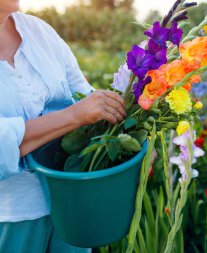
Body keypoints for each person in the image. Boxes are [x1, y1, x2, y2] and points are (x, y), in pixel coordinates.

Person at [0, 0, 127, 252]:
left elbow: (85, 97)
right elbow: (80, 111)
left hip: (70, 207)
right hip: (10, 217)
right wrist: (74, 116)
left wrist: (130, 136)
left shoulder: (39, 32)